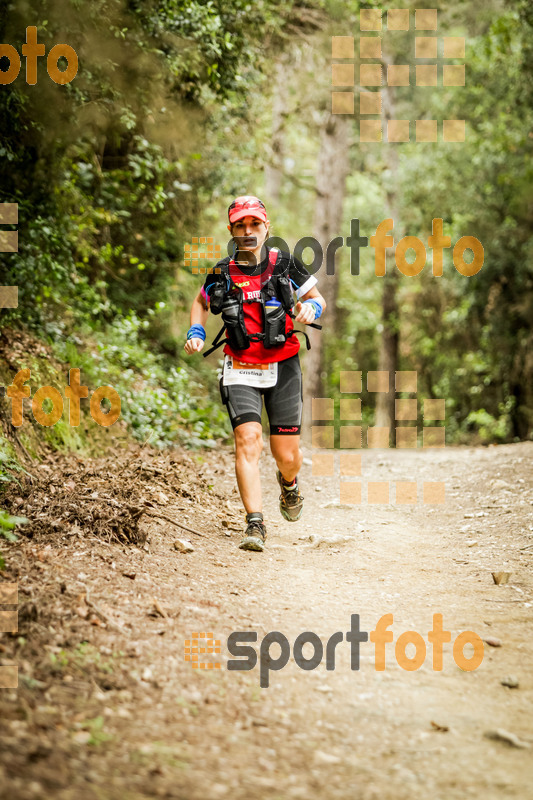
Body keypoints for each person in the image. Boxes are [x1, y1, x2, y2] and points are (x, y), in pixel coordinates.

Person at [184, 195, 326, 552]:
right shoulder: (221, 271)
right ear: (231, 230)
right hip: (240, 366)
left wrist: (309, 307)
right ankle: (255, 523)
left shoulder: (285, 264)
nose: (248, 231)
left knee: (287, 455)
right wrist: (196, 331)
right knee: (248, 440)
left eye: (254, 224)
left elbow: (318, 298)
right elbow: (200, 302)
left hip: (283, 366)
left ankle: (288, 483)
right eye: (240, 225)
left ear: (266, 227)